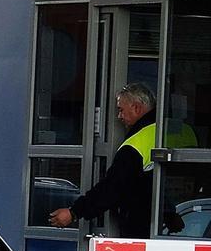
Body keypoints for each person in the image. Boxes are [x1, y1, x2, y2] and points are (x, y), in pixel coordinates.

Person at [48, 82, 165, 238]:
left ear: (137, 108)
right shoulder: (165, 130)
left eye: (121, 110)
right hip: (170, 220)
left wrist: (74, 212)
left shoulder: (135, 144)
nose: (119, 116)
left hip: (144, 225)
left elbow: (112, 188)